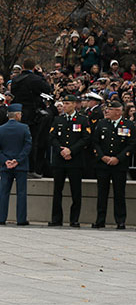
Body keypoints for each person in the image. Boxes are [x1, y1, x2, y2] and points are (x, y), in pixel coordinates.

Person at [91, 101, 134, 229]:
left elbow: (131, 144)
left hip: (119, 165)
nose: (106, 111)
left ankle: (120, 220)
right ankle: (100, 220)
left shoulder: (128, 124)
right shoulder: (102, 123)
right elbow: (95, 142)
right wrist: (102, 156)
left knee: (119, 193)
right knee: (102, 193)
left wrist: (118, 158)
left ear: (118, 111)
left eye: (110, 109)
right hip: (103, 164)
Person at [48, 94, 90, 227]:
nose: (64, 106)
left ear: (73, 104)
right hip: (60, 160)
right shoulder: (58, 119)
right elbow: (52, 137)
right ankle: (56, 218)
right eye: (63, 104)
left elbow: (86, 138)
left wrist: (71, 150)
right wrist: (61, 150)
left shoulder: (82, 120)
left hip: (74, 159)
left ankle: (74, 219)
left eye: (67, 104)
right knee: (57, 190)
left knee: (76, 191)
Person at [0, 103, 31, 225]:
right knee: (21, 193)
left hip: (5, 166)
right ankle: (21, 219)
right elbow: (27, 146)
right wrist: (17, 160)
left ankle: (1, 218)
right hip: (20, 165)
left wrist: (5, 161)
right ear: (18, 114)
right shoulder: (24, 128)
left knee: (4, 193)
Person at [11, 58, 52, 171]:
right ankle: (31, 167)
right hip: (33, 114)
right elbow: (47, 89)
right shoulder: (36, 79)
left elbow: (13, 92)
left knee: (18, 140)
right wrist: (40, 74)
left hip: (18, 112)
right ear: (34, 67)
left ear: (22, 67)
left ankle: (16, 165)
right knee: (32, 141)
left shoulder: (15, 79)